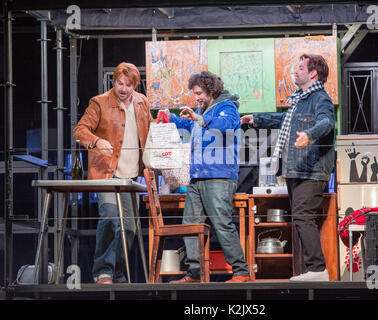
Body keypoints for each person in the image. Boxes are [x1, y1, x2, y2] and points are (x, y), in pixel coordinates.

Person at [241, 54, 335, 281]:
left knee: (303, 216)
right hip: (297, 169)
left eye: (300, 67)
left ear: (313, 73)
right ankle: (312, 270)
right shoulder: (300, 101)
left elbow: (327, 122)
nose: (296, 71)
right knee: (301, 218)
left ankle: (318, 270)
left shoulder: (320, 99)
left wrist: (309, 135)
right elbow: (283, 120)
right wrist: (256, 119)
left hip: (310, 171)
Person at [159, 71, 250, 283]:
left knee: (221, 223)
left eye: (199, 93)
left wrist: (199, 117)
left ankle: (241, 271)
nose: (197, 97)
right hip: (198, 177)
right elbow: (193, 125)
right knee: (190, 223)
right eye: (194, 93)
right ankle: (195, 272)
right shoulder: (204, 110)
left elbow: (222, 126)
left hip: (219, 176)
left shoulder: (227, 107)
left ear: (211, 90)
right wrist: (172, 118)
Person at [73, 62, 153, 284]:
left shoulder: (142, 102)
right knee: (109, 218)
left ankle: (117, 272)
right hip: (107, 174)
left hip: (131, 177)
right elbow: (79, 131)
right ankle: (103, 272)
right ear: (114, 81)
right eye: (120, 83)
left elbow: (150, 130)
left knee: (129, 228)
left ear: (135, 85)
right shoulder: (99, 102)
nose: (123, 88)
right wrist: (96, 141)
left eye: (128, 85)